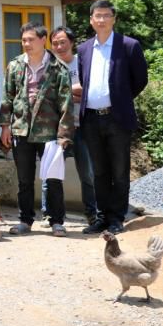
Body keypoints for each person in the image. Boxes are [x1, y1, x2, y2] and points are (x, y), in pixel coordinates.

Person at [79, 0, 148, 235]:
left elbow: (140, 80)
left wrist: (121, 99)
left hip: (117, 118)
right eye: (97, 16)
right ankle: (101, 217)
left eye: (106, 15)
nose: (101, 20)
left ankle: (117, 218)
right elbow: (83, 79)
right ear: (91, 20)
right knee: (99, 171)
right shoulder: (84, 49)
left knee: (119, 171)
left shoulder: (128, 46)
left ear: (113, 19)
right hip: (91, 118)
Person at [0, 22, 73, 237]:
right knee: (24, 179)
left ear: (42, 40)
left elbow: (66, 103)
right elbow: (7, 98)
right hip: (21, 130)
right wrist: (5, 126)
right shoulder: (15, 66)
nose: (26, 43)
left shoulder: (58, 68)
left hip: (49, 132)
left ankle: (56, 221)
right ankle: (25, 220)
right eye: (23, 40)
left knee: (53, 178)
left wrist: (64, 135)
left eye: (31, 39)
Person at [43, 26, 97, 226]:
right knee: (52, 173)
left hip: (82, 127)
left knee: (88, 174)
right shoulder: (48, 66)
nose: (58, 46)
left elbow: (89, 89)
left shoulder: (82, 63)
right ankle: (49, 213)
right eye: (55, 43)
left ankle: (92, 214)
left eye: (62, 42)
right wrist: (73, 94)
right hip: (56, 129)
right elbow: (47, 94)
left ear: (72, 42)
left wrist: (63, 91)